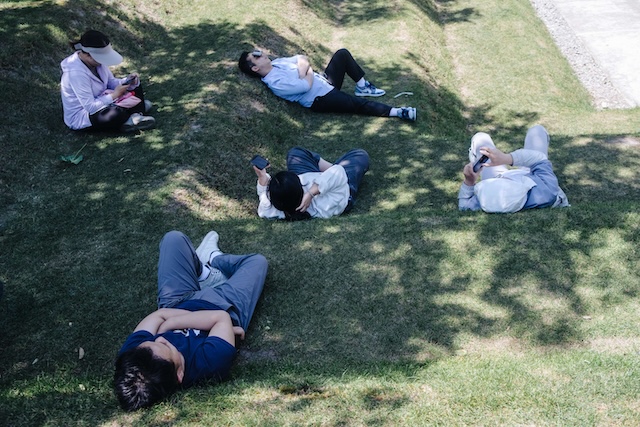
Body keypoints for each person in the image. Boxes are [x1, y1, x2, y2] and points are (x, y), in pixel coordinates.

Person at [114, 230, 268, 411]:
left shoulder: (134, 357)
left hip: (177, 301)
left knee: (173, 239)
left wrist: (209, 326)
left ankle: (202, 273)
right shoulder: (209, 363)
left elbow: (158, 315)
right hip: (224, 304)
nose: (160, 338)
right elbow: (221, 317)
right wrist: (170, 323)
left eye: (151, 341)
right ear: (179, 374)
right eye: (166, 347)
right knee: (256, 262)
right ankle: (213, 260)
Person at [238, 48, 417, 121]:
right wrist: (306, 71)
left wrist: (304, 72)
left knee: (342, 54)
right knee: (355, 104)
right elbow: (305, 87)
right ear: (255, 68)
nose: (260, 53)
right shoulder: (275, 83)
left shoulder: (278, 63)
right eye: (256, 56)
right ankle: (399, 112)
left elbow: (302, 58)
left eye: (257, 52)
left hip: (325, 81)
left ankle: (362, 85)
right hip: (320, 99)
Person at [459, 125, 570, 213]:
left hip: (496, 176)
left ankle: (477, 158)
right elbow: (539, 158)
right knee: (537, 131)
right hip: (530, 174)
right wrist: (506, 158)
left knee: (480, 138)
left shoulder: (486, 199)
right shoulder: (545, 190)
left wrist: (469, 181)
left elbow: (464, 206)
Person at [60, 30, 156, 132]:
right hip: (85, 116)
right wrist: (114, 95)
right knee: (114, 113)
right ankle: (133, 112)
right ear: (88, 55)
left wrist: (127, 81)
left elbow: (110, 82)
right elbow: (90, 107)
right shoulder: (76, 73)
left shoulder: (97, 63)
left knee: (135, 85)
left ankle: (135, 114)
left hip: (104, 100)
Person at [254, 147, 369, 220]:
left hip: (311, 177)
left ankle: (324, 170)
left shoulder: (271, 209)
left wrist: (262, 177)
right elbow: (338, 172)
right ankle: (329, 169)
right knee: (360, 154)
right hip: (341, 184)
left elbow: (264, 199)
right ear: (300, 187)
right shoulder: (324, 206)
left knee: (295, 153)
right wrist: (310, 193)